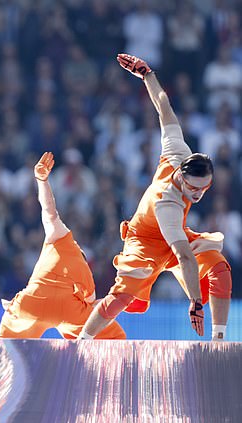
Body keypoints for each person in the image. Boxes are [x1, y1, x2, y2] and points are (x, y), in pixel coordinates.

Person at [79, 54, 231, 340]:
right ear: (182, 178)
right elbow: (184, 256)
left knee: (220, 269)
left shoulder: (178, 151)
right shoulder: (168, 203)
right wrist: (195, 302)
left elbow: (163, 105)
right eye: (194, 188)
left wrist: (147, 74)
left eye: (204, 189)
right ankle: (81, 343)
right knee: (122, 297)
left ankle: (219, 342)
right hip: (145, 240)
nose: (198, 195)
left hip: (175, 237)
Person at [0, 152, 125, 339]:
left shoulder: (62, 239)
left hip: (33, 300)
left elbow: (48, 210)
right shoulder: (87, 275)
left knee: (8, 342)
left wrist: (42, 180)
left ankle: (6, 364)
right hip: (69, 311)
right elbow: (93, 308)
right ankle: (91, 364)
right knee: (110, 337)